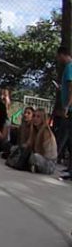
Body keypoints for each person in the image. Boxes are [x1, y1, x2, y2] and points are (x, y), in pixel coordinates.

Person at [54, 46, 72, 179]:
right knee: (67, 137)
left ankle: (52, 160)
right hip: (69, 107)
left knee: (64, 135)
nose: (58, 59)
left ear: (62, 55)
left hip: (70, 109)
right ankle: (69, 167)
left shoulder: (69, 67)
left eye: (58, 56)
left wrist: (67, 106)